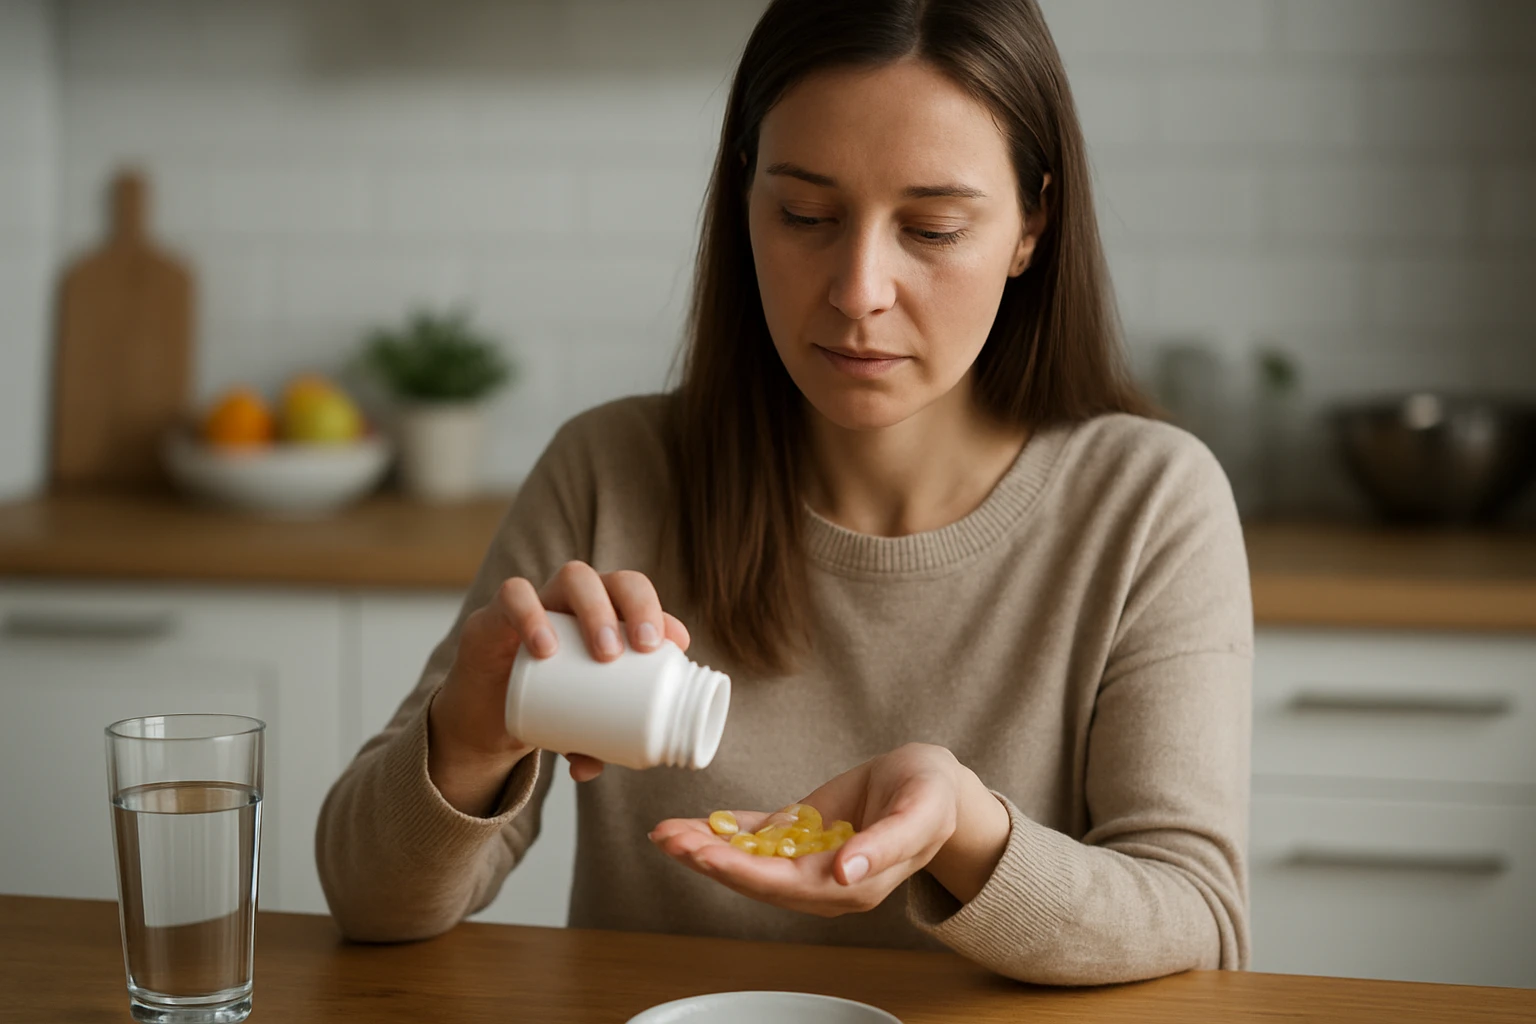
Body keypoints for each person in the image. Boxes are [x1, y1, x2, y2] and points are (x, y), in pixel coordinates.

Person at [316, 0, 1251, 986]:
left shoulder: (1147, 501)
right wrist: (466, 732)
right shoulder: (610, 471)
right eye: (804, 215)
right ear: (745, 198)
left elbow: (1198, 918)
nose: (858, 288)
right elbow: (369, 904)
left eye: (930, 229)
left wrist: (963, 828)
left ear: (1033, 225)